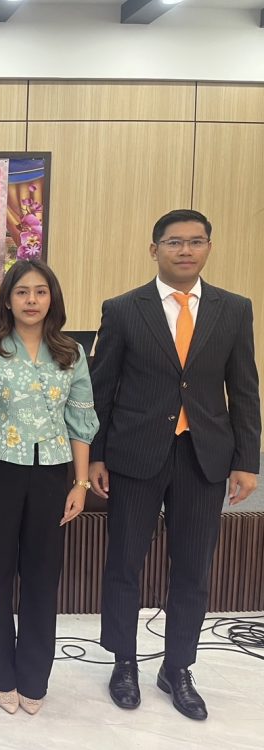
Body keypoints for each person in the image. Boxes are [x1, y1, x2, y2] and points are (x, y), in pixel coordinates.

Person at [89, 209, 260, 721]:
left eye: (195, 241)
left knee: (193, 568)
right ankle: (123, 662)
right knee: (124, 563)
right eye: (174, 242)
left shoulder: (234, 309)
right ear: (154, 249)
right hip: (135, 454)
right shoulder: (123, 309)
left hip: (204, 456)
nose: (185, 250)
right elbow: (101, 388)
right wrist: (96, 454)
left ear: (208, 248)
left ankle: (178, 667)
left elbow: (245, 389)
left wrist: (247, 461)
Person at [0, 259, 98, 715]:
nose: (31, 300)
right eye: (22, 292)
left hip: (52, 475)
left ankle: (34, 676)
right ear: (8, 300)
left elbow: (81, 422)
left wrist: (80, 483)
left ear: (52, 298)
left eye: (40, 291)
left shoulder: (71, 353)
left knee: (42, 577)